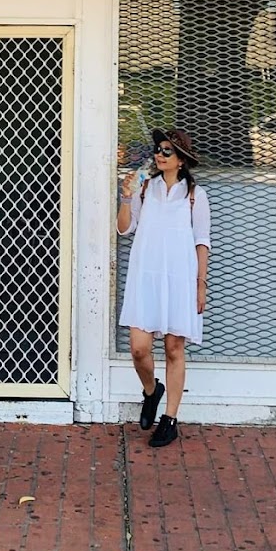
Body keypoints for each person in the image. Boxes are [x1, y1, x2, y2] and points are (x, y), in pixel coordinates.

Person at [116, 128, 211, 448]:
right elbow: (125, 228)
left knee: (174, 349)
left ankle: (169, 419)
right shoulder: (146, 188)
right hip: (147, 277)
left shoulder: (195, 195)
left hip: (180, 278)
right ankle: (150, 390)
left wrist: (201, 285)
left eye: (167, 151)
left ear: (181, 160)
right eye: (159, 149)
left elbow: (202, 241)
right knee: (139, 348)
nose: (160, 154)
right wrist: (127, 197)